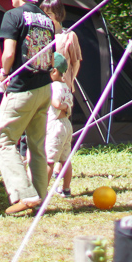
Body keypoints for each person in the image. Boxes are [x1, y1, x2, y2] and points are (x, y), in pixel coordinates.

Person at [0, 0, 55, 215]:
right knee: (37, 146)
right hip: (44, 89)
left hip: (21, 90)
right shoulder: (46, 18)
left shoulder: (13, 16)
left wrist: (3, 72)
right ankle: (39, 198)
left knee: (4, 140)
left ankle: (24, 194)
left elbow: (9, 53)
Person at [45, 53, 73, 197]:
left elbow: (55, 103)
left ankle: (42, 192)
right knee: (65, 159)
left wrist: (58, 104)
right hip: (66, 125)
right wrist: (66, 106)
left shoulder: (53, 86)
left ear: (54, 71)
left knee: (50, 160)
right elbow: (70, 105)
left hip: (56, 126)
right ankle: (66, 189)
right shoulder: (66, 86)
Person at [40, 0, 82, 93]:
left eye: (49, 14)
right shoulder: (40, 34)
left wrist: (70, 81)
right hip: (42, 86)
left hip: (61, 86)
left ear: (58, 14)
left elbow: (76, 63)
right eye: (43, 13)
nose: (46, 17)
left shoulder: (69, 36)